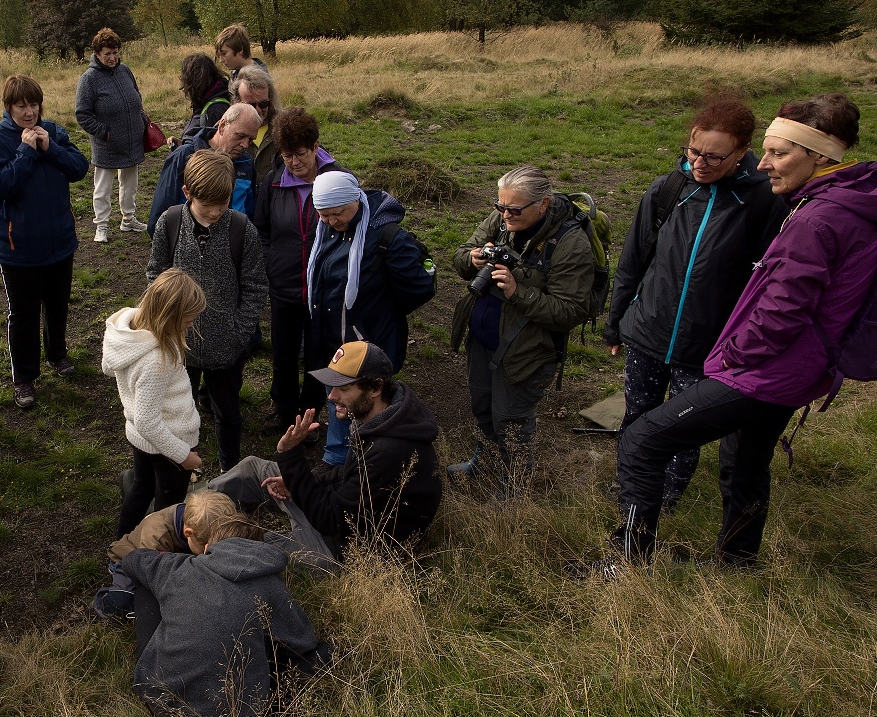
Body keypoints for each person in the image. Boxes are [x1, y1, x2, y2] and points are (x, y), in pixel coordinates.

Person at [585, 93, 877, 574]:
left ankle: (626, 562)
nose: (767, 164)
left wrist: (729, 354)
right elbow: (641, 257)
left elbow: (784, 306)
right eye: (769, 151)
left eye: (778, 154)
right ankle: (736, 563)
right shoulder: (832, 202)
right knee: (744, 459)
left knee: (645, 438)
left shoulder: (817, 217)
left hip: (766, 369)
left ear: (819, 156)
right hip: (782, 365)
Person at [603, 98, 786, 513]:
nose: (701, 163)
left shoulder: (762, 202)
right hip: (648, 332)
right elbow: (633, 261)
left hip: (707, 345)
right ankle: (631, 496)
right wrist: (615, 323)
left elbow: (765, 282)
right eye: (694, 151)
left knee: (683, 428)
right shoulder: (667, 190)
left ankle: (667, 501)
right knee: (639, 416)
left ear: (742, 153)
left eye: (715, 156)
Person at [209, 341, 442, 569]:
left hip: (343, 549)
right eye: (332, 386)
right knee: (252, 468)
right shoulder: (387, 417)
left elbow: (330, 520)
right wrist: (296, 482)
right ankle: (190, 511)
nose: (332, 397)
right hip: (339, 517)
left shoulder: (390, 450)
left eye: (344, 388)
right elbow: (349, 475)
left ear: (375, 388)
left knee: (242, 544)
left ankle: (196, 540)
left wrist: (290, 456)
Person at [447, 166, 596, 490]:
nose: (505, 215)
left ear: (542, 204)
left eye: (513, 209)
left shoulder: (571, 244)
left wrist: (518, 292)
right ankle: (484, 459)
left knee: (511, 420)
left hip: (527, 350)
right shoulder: (501, 220)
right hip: (483, 336)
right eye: (500, 207)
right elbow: (459, 256)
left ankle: (513, 486)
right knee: (482, 406)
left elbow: (571, 310)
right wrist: (472, 260)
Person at [122, 516, 327, 717]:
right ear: (261, 551)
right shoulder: (271, 586)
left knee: (146, 587)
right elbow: (303, 643)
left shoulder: (178, 569)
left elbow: (132, 559)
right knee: (324, 654)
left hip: (160, 706)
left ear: (208, 547)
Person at [147, 150, 267, 472]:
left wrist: (238, 334)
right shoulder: (169, 223)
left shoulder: (242, 230)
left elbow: (256, 286)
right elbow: (155, 274)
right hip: (177, 348)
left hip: (225, 349)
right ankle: (181, 463)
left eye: (223, 202)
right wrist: (166, 324)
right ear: (188, 193)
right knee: (177, 409)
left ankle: (231, 471)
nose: (216, 211)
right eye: (208, 204)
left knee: (227, 411)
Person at [305, 170, 435, 465]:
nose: (330, 221)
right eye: (323, 216)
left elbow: (419, 288)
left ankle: (373, 463)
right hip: (334, 344)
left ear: (355, 201)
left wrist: (379, 313)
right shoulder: (328, 230)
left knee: (367, 407)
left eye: (337, 213)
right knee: (339, 401)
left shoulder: (387, 237)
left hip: (367, 345)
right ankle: (338, 460)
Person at [0, 74, 90, 410]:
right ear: (9, 107)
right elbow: (3, 185)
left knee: (58, 306)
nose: (29, 112)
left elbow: (79, 168)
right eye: (21, 105)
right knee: (24, 315)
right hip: (18, 248)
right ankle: (24, 379)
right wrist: (27, 150)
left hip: (59, 240)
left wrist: (50, 146)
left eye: (33, 104)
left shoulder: (54, 131)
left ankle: (57, 356)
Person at [103, 268, 207, 538]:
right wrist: (184, 456)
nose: (191, 325)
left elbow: (107, 367)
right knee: (168, 507)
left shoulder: (126, 334)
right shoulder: (157, 360)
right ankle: (157, 555)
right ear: (170, 316)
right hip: (167, 443)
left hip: (139, 439)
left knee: (141, 488)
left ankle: (121, 547)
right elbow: (149, 422)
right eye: (188, 320)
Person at [254, 107, 341, 428]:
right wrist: (269, 264)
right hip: (284, 285)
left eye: (300, 154)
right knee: (284, 353)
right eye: (287, 155)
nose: (294, 162)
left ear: (316, 146)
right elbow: (261, 229)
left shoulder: (338, 180)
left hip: (325, 288)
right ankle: (284, 411)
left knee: (320, 354)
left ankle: (311, 417)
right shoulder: (273, 183)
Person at [91, 488, 255, 620]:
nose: (209, 552)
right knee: (124, 602)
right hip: (131, 560)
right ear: (189, 533)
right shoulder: (155, 539)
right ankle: (103, 603)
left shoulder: (200, 519)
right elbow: (149, 574)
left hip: (169, 557)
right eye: (206, 547)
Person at [75, 28, 148, 243]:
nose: (112, 57)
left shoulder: (125, 71)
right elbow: (82, 114)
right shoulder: (89, 79)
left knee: (130, 184)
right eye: (107, 53)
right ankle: (102, 226)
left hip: (132, 140)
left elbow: (137, 96)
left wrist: (141, 119)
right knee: (103, 187)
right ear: (97, 53)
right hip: (106, 145)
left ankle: (128, 219)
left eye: (115, 52)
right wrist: (104, 133)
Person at [147, 103, 261, 233]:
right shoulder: (182, 157)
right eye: (240, 136)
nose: (245, 145)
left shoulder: (247, 162)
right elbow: (158, 221)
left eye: (251, 139)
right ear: (222, 126)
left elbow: (251, 214)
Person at [171, 52, 231, 148]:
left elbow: (212, 151)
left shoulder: (216, 109)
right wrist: (182, 144)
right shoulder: (204, 103)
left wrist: (186, 149)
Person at [233, 64, 280, 182]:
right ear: (237, 102)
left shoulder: (285, 127)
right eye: (251, 105)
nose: (258, 110)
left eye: (264, 104)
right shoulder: (225, 129)